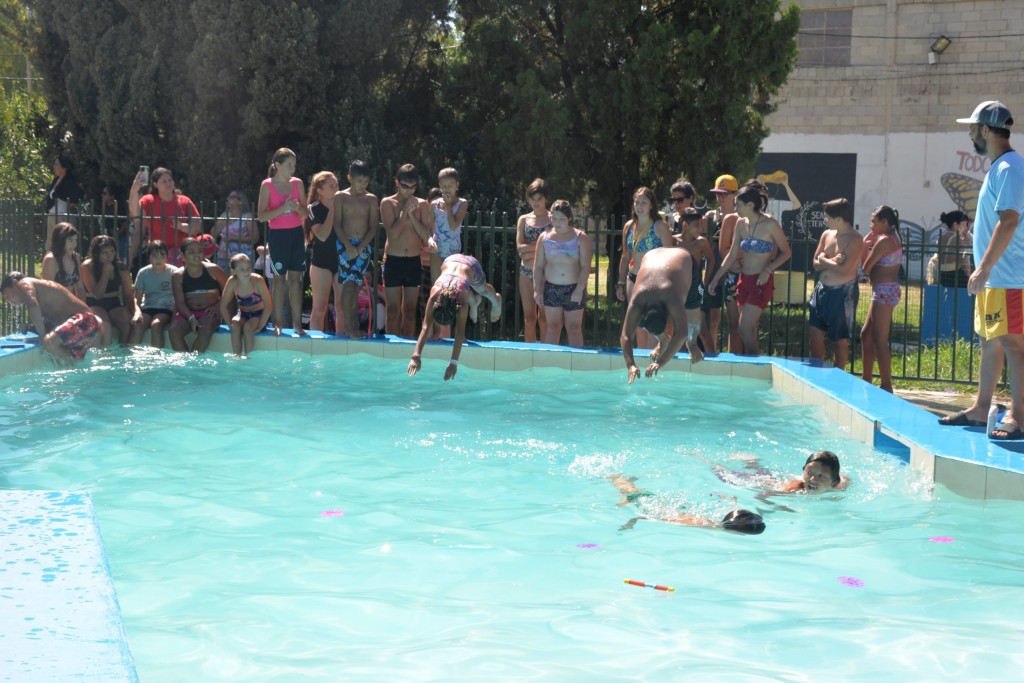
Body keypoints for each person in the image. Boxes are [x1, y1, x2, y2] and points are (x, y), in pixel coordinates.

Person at [939, 101, 1024, 440]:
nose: (970, 133)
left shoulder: (1010, 168)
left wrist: (984, 267)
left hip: (1007, 277)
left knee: (1014, 345)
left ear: (986, 130)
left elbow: (1009, 220)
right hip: (995, 279)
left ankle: (1018, 417)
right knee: (990, 342)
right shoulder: (999, 167)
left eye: (973, 128)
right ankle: (980, 408)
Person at [707, 186, 791, 355]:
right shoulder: (740, 223)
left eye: (738, 205)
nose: (735, 208)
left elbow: (787, 252)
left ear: (750, 205)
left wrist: (768, 269)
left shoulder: (770, 224)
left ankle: (754, 363)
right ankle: (753, 364)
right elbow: (731, 255)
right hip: (743, 280)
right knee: (748, 329)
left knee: (744, 328)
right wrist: (716, 278)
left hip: (761, 281)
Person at [407, 254, 502, 381]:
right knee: (470, 292)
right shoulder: (435, 295)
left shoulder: (462, 301)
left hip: (470, 265)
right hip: (450, 261)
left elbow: (459, 334)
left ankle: (496, 299)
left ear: (456, 308)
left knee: (482, 289)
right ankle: (474, 302)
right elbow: (425, 327)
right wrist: (415, 356)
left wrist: (453, 364)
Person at [620, 247, 702, 383]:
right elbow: (626, 335)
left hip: (684, 260)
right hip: (652, 256)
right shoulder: (638, 300)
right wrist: (630, 365)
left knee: (692, 314)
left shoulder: (672, 297)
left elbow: (681, 333)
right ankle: (663, 340)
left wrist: (660, 363)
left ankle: (692, 343)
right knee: (634, 320)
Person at [808, 198, 863, 370]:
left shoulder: (854, 239)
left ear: (839, 219)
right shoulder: (826, 235)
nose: (825, 220)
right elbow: (815, 264)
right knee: (815, 334)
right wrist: (831, 261)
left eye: (827, 217)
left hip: (843, 293)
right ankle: (817, 373)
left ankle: (839, 376)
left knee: (840, 339)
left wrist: (824, 259)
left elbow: (845, 270)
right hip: (821, 290)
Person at [257, 148, 308, 336]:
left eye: (294, 165)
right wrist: (283, 208)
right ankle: (277, 323)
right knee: (279, 282)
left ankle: (297, 324)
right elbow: (261, 216)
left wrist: (296, 208)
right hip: (278, 237)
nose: (292, 169)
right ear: (277, 165)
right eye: (288, 165)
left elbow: (305, 214)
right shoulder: (267, 185)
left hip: (296, 235)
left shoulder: (298, 184)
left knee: (296, 281)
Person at [608, 475, 765, 535]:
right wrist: (632, 521)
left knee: (636, 492)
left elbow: (734, 503)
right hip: (651, 506)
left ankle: (629, 483)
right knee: (632, 493)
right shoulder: (705, 525)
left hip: (669, 506)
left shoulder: (716, 523)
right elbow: (655, 517)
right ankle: (616, 477)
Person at [615, 187, 673, 349]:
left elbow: (670, 257)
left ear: (652, 205)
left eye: (644, 202)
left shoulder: (659, 226)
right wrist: (620, 282)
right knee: (639, 324)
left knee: (653, 323)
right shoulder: (629, 226)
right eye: (636, 202)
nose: (639, 206)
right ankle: (641, 356)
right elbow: (626, 256)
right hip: (633, 279)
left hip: (654, 281)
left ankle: (654, 360)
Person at [380, 164, 434, 337]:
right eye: (405, 186)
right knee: (392, 310)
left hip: (413, 260)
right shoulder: (388, 203)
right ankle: (392, 346)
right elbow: (393, 234)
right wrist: (404, 212)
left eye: (413, 187)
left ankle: (407, 345)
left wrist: (412, 214)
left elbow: (426, 236)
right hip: (393, 260)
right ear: (397, 182)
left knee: (410, 310)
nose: (409, 191)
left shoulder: (422, 205)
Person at [328, 160, 380, 339]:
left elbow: (373, 227)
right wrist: (349, 246)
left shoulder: (371, 199)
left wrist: (361, 247)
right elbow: (337, 224)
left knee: (357, 287)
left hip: (363, 246)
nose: (363, 185)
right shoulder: (341, 197)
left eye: (366, 182)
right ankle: (350, 327)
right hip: (345, 244)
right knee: (348, 286)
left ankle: (353, 325)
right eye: (359, 181)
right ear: (350, 178)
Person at [1, 272, 102, 363]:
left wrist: (43, 336)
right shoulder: (40, 292)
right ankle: (72, 371)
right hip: (87, 323)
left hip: (85, 319)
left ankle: (72, 375)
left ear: (14, 283)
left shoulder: (23, 283)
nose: (8, 300)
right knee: (62, 350)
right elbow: (53, 323)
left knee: (49, 342)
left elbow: (32, 306)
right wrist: (30, 327)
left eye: (6, 294)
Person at [533, 199, 592, 347]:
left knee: (574, 328)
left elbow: (585, 266)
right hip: (552, 288)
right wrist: (537, 290)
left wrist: (579, 289)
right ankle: (551, 365)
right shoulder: (544, 238)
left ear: (569, 219)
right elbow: (538, 266)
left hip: (573, 289)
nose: (557, 222)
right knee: (552, 327)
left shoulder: (580, 237)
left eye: (562, 219)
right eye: (554, 218)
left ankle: (576, 364)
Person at [859, 205, 903, 392]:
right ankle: (866, 379)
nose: (871, 225)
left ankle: (887, 385)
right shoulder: (890, 237)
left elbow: (865, 268)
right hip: (885, 290)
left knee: (879, 339)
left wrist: (863, 246)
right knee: (866, 335)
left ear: (884, 222)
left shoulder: (884, 241)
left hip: (884, 292)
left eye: (873, 221)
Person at [702, 174, 741, 353]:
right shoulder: (710, 218)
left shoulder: (741, 219)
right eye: (718, 193)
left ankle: (734, 357)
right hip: (713, 274)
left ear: (735, 195)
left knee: (736, 323)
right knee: (712, 320)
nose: (720, 197)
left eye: (725, 193)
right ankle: (711, 356)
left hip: (734, 274)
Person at [428, 168, 469, 338]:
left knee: (454, 294)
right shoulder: (433, 204)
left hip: (453, 254)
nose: (447, 189)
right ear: (439, 185)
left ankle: (456, 334)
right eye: (444, 186)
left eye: (450, 186)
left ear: (457, 185)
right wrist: (430, 239)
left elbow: (453, 225)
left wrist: (448, 205)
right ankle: (436, 333)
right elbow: (431, 228)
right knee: (437, 291)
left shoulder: (462, 203)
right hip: (437, 252)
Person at [168, 237, 227, 353]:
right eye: (191, 252)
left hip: (210, 312)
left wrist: (218, 305)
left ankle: (193, 362)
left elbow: (229, 292)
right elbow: (179, 302)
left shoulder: (214, 270)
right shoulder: (177, 275)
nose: (197, 255)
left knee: (205, 329)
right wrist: (191, 318)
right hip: (187, 312)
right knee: (173, 331)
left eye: (199, 251)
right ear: (183, 255)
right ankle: (184, 362)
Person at [713, 451, 849, 498]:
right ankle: (751, 463)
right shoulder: (795, 489)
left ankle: (753, 463)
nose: (812, 479)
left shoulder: (839, 487)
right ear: (803, 470)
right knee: (726, 476)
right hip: (771, 483)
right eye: (809, 472)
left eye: (821, 476)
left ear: (833, 483)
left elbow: (845, 478)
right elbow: (763, 495)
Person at [80, 234, 136, 346]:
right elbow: (97, 295)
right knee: (105, 325)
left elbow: (128, 294)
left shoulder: (120, 267)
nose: (109, 256)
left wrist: (132, 312)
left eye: (112, 252)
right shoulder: (87, 266)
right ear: (96, 254)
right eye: (105, 253)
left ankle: (122, 350)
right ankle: (106, 355)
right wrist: (105, 273)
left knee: (127, 323)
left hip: (113, 302)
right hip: (94, 303)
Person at [515, 178, 552, 343]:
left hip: (547, 274)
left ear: (546, 199)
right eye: (532, 199)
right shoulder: (523, 219)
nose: (536, 203)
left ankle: (544, 354)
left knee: (544, 319)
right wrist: (540, 248)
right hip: (526, 273)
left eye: (539, 199)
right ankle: (529, 354)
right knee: (529, 318)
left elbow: (553, 249)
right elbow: (520, 249)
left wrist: (532, 249)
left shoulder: (553, 220)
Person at [673, 207, 714, 354]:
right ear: (685, 225)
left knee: (701, 326)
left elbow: (711, 260)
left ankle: (712, 357)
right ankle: (684, 357)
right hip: (679, 288)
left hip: (696, 287)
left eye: (701, 224)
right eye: (697, 225)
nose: (700, 228)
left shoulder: (701, 243)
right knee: (680, 326)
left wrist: (706, 280)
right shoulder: (673, 241)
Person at [305, 171, 341, 332]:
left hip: (341, 260)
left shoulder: (343, 206)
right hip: (321, 263)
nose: (337, 189)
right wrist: (333, 210)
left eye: (337, 185)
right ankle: (316, 342)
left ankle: (342, 342)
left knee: (342, 308)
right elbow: (322, 235)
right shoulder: (313, 208)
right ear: (320, 190)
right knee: (320, 308)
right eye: (332, 186)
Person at [220, 253, 272, 357]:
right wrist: (229, 325)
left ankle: (249, 358)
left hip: (259, 314)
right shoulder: (232, 281)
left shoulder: (258, 280)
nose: (246, 271)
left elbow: (268, 306)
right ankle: (236, 356)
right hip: (243, 313)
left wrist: (260, 326)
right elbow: (223, 305)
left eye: (248, 268)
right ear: (233, 271)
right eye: (242, 269)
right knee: (235, 325)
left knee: (248, 328)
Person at [129, 240, 175, 348]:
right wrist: (137, 312)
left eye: (162, 255)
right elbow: (137, 298)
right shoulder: (143, 273)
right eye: (154, 255)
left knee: (156, 325)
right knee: (138, 325)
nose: (158, 259)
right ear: (149, 257)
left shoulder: (174, 272)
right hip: (148, 307)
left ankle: (156, 357)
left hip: (166, 308)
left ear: (167, 257)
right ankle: (130, 354)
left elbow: (179, 297)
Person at [212, 190, 257, 270]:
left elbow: (254, 238)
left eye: (232, 197)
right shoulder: (224, 215)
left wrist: (233, 238)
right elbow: (213, 233)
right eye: (228, 197)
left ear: (240, 201)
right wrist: (224, 223)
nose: (228, 199)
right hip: (223, 256)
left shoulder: (247, 217)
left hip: (242, 257)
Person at [41, 222, 86, 301]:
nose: (74, 244)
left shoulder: (76, 258)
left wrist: (82, 309)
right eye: (70, 240)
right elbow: (47, 291)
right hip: (54, 306)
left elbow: (80, 288)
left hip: (71, 304)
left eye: (76, 240)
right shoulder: (51, 260)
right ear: (60, 240)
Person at [45, 153, 83, 246]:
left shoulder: (70, 182)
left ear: (64, 167)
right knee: (50, 243)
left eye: (57, 164)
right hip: (52, 215)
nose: (54, 166)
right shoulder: (56, 180)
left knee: (61, 244)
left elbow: (75, 198)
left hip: (63, 217)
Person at [937, 209, 974, 288]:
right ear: (955, 225)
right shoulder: (958, 239)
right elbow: (964, 262)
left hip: (942, 275)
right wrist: (970, 277)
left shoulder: (941, 237)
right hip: (954, 275)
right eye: (964, 225)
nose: (965, 228)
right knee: (975, 287)